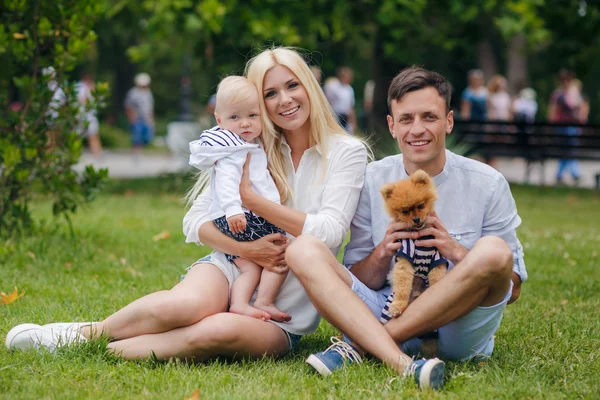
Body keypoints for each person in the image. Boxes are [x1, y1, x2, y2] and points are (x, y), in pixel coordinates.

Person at [6, 47, 368, 363]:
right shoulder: (248, 146)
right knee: (181, 307)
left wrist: (251, 200)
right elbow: (196, 221)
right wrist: (250, 250)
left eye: (292, 85)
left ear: (311, 86)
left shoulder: (345, 153)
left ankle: (98, 347)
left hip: (283, 312)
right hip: (229, 265)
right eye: (270, 93)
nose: (284, 100)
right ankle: (79, 336)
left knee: (210, 332)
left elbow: (329, 232)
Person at [285, 67, 527, 390]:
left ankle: (362, 346)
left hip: (456, 330)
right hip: (389, 307)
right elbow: (358, 279)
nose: (418, 130)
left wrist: (454, 250)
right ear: (392, 126)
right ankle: (401, 362)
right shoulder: (373, 179)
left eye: (429, 117)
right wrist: (383, 252)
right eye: (406, 119)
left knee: (496, 251)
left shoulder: (488, 183)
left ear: (449, 121)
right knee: (302, 248)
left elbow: (512, 288)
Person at [187, 76, 289, 322]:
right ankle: (264, 300)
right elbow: (226, 181)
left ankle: (240, 303)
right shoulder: (233, 150)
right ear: (219, 120)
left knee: (251, 267)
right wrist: (234, 209)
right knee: (283, 250)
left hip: (232, 217)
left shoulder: (246, 145)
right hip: (239, 216)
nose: (245, 123)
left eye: (252, 116)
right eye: (235, 117)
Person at [548, 69, 582, 185]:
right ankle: (574, 173)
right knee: (567, 150)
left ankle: (562, 174)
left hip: (567, 127)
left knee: (567, 151)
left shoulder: (565, 94)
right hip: (566, 127)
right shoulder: (564, 94)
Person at [124, 72, 155, 152]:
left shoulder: (148, 93)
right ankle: (136, 153)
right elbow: (129, 107)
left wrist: (151, 118)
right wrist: (131, 119)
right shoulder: (133, 93)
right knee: (137, 138)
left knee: (147, 138)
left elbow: (149, 107)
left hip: (146, 119)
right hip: (137, 119)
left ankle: (140, 152)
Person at [75, 72, 103, 157]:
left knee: (93, 134)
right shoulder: (79, 87)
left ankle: (97, 153)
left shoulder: (92, 86)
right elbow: (82, 100)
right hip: (81, 114)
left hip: (90, 115)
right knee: (78, 135)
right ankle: (75, 153)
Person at [325, 67, 356, 133]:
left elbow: (350, 107)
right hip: (336, 114)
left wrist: (353, 122)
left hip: (345, 116)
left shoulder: (349, 89)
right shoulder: (333, 86)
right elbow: (328, 101)